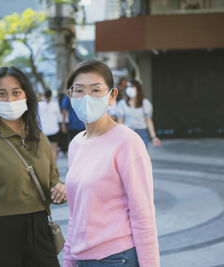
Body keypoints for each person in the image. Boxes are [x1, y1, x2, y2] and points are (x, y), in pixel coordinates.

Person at [0, 66, 66, 267]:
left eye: (16, 92)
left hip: (40, 231)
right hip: (0, 236)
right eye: (2, 94)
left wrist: (60, 189)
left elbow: (52, 181)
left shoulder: (40, 138)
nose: (10, 100)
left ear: (27, 95)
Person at [63, 60, 160, 267]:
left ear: (112, 96)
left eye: (96, 90)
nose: (87, 98)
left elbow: (143, 215)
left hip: (116, 259)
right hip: (81, 258)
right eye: (79, 90)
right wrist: (68, 260)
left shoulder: (127, 142)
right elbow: (75, 212)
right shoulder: (76, 144)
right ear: (70, 95)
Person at [116, 79, 161, 148]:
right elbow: (120, 121)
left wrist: (154, 137)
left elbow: (148, 120)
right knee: (128, 157)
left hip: (141, 133)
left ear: (138, 88)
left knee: (141, 157)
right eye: (127, 87)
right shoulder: (122, 103)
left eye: (131, 87)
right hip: (127, 133)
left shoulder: (145, 103)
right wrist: (119, 135)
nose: (129, 89)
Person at [39, 89, 61, 160]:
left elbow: (37, 118)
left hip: (43, 130)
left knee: (44, 150)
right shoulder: (55, 104)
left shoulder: (39, 105)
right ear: (51, 96)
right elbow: (59, 117)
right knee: (54, 149)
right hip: (54, 129)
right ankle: (54, 168)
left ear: (44, 95)